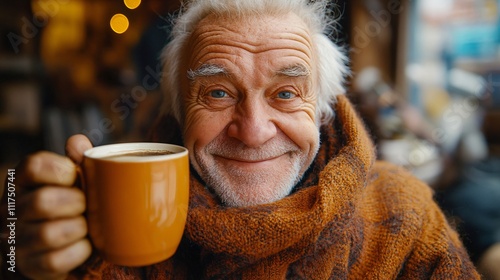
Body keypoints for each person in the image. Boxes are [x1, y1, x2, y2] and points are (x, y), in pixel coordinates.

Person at [1, 0, 480, 278]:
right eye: (217, 92)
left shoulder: (405, 216)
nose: (253, 132)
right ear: (178, 110)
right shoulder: (103, 215)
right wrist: (13, 253)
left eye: (287, 93)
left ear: (325, 107)